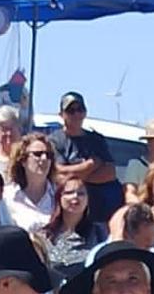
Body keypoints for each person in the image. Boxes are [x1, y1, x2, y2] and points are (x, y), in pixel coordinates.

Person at [47, 89, 121, 224]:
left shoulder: (97, 139)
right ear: (61, 114)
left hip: (100, 213)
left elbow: (110, 173)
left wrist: (74, 174)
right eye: (70, 111)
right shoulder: (54, 141)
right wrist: (90, 165)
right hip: (69, 214)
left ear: (85, 112)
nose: (76, 114)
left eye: (80, 109)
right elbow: (58, 173)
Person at [1, 132, 56, 232]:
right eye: (37, 154)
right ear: (23, 160)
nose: (44, 159)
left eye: (48, 155)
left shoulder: (59, 196)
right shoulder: (6, 196)